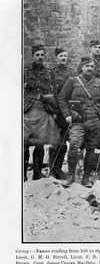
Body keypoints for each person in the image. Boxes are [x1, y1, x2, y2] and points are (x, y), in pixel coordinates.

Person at [58, 56, 100, 187]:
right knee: (74, 145)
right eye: (87, 66)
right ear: (82, 67)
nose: (90, 68)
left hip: (95, 120)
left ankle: (86, 178)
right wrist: (67, 115)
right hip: (78, 120)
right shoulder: (73, 81)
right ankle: (71, 177)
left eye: (92, 66)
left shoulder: (99, 83)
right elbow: (62, 99)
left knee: (91, 149)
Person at [24, 44, 59, 181]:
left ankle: (37, 174)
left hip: (42, 110)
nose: (39, 57)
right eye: (37, 55)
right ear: (33, 56)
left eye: (42, 55)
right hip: (27, 110)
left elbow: (53, 92)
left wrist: (53, 109)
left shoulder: (48, 73)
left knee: (40, 144)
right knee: (24, 143)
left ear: (44, 56)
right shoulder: (25, 72)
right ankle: (23, 175)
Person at [49, 48, 78, 179]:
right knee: (55, 142)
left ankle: (59, 169)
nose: (63, 58)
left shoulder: (73, 72)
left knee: (64, 142)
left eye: (65, 56)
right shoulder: (52, 73)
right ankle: (52, 170)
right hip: (56, 111)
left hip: (68, 112)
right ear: (56, 58)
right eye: (61, 56)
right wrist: (55, 110)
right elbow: (53, 94)